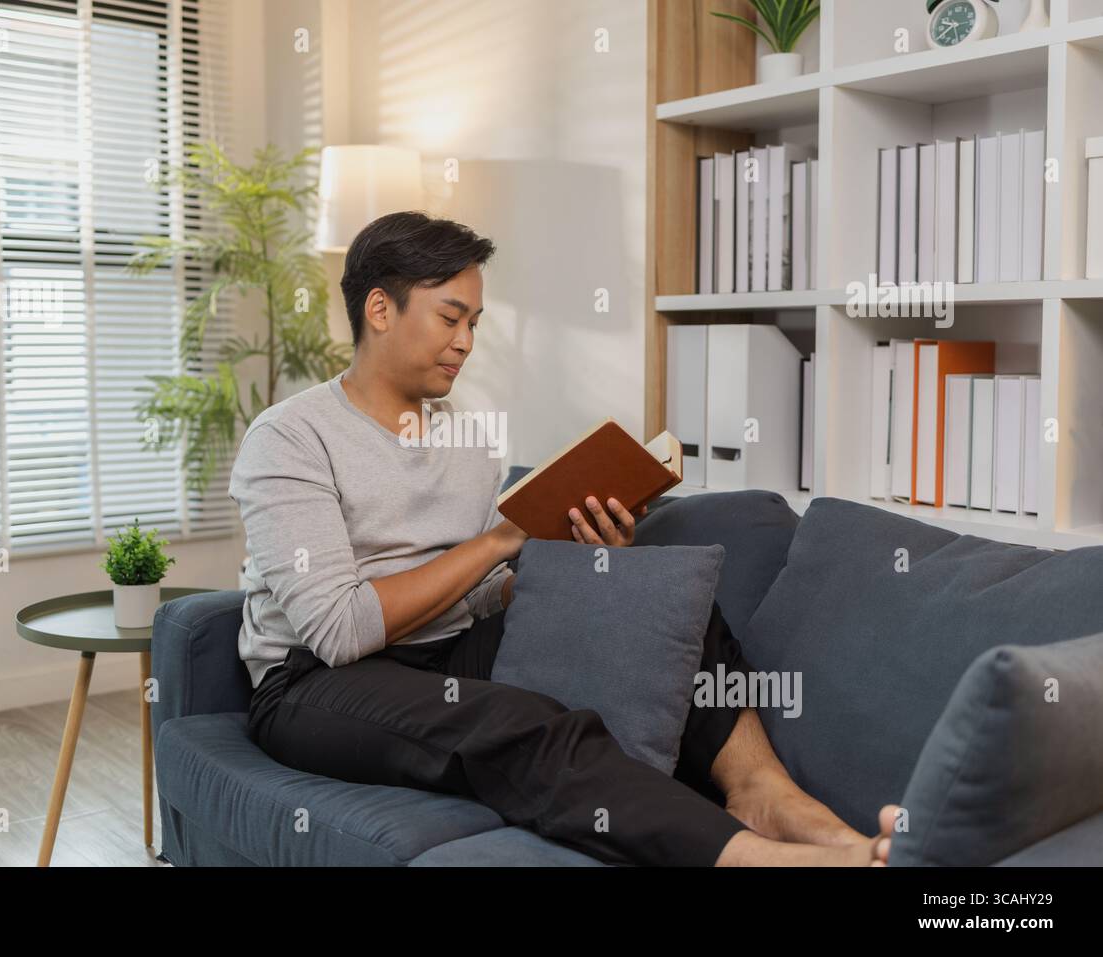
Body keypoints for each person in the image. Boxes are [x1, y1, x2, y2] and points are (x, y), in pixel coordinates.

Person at [229, 210, 897, 866]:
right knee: (525, 723)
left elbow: (487, 597)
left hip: (449, 653)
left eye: (474, 324)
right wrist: (497, 542)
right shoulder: (289, 438)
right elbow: (338, 629)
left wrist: (583, 564)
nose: (465, 342)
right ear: (380, 309)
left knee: (659, 600)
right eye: (450, 317)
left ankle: (765, 793)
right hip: (314, 683)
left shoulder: (468, 436)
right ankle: (750, 857)